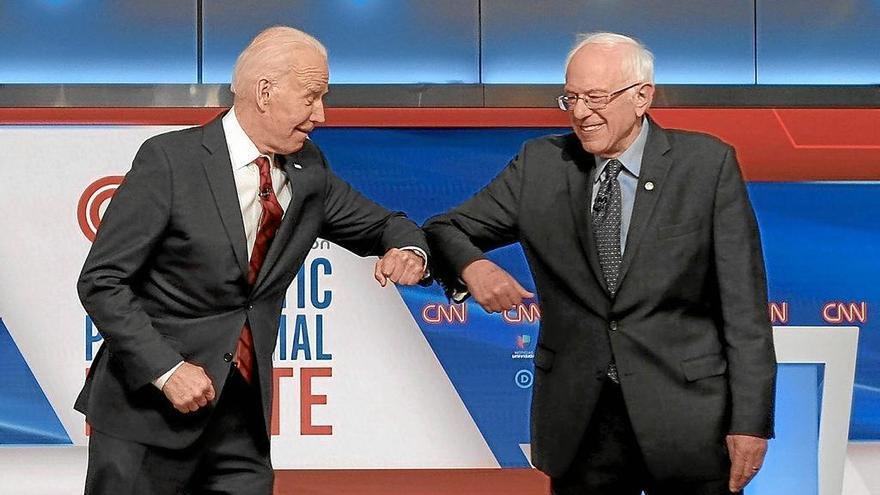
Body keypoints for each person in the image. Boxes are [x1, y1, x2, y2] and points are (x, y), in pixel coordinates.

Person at [76, 26, 428, 494]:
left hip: (240, 425)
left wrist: (408, 249)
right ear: (265, 92)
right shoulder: (171, 161)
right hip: (146, 419)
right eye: (311, 97)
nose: (321, 114)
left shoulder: (309, 170)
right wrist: (167, 369)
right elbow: (102, 281)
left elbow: (385, 224)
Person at [424, 32, 775, 495]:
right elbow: (445, 228)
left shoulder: (706, 166)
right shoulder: (541, 165)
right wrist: (474, 268)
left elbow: (745, 310)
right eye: (570, 97)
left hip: (688, 417)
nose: (581, 112)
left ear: (642, 97)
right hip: (582, 422)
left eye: (596, 97)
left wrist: (751, 422)